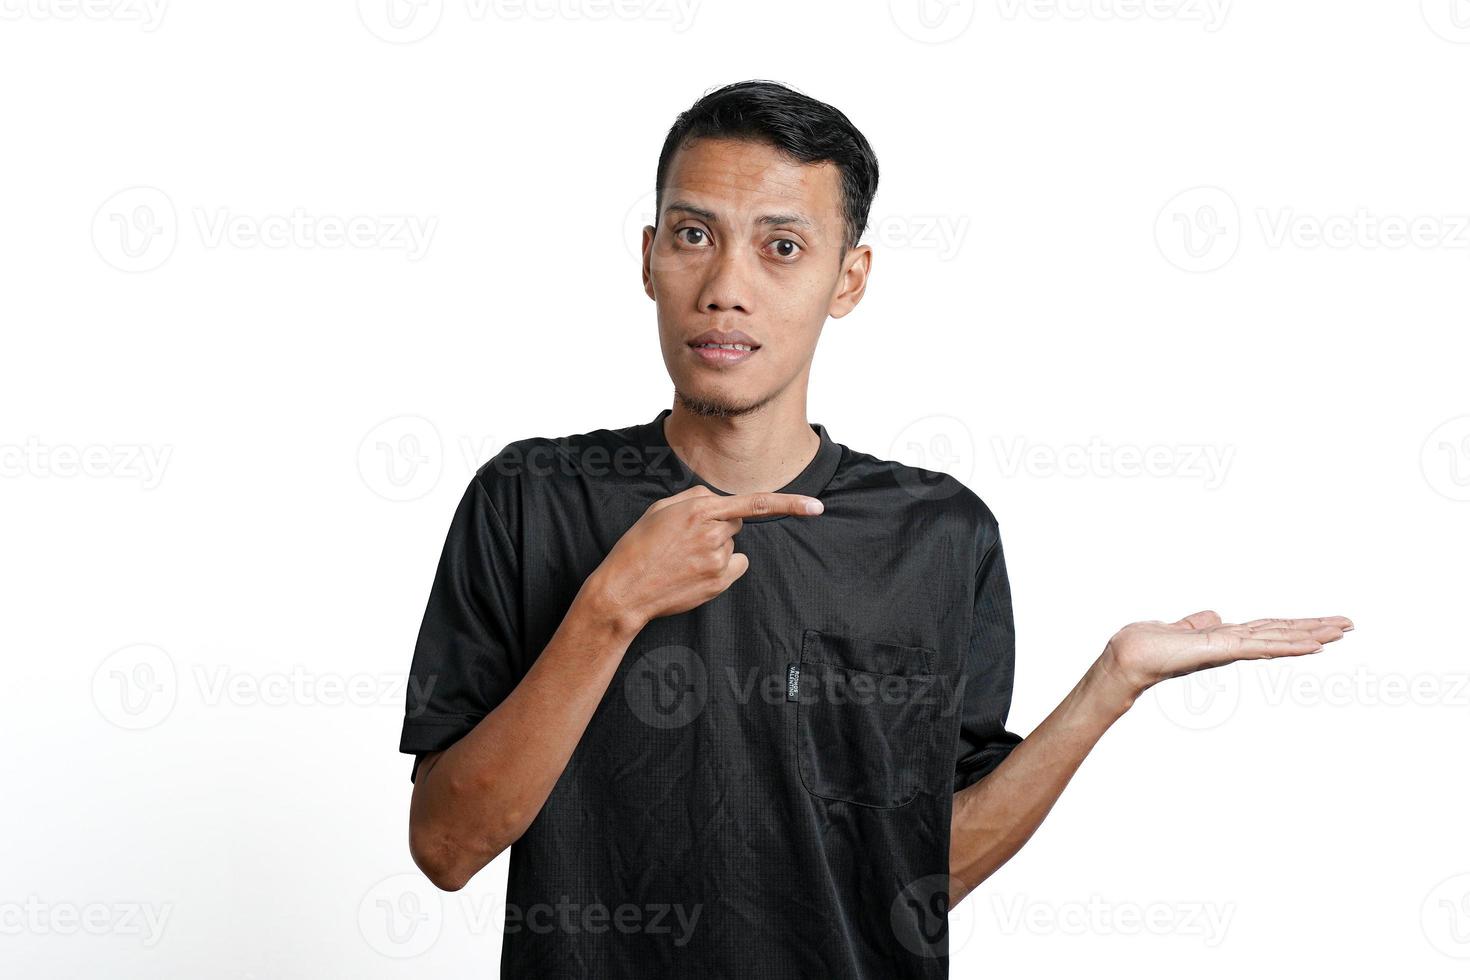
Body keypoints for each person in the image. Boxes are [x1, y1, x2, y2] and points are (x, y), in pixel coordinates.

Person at [397, 79, 1353, 978]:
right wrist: (610, 606)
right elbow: (445, 847)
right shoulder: (527, 498)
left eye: (781, 247)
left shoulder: (938, 535)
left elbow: (925, 875)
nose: (726, 286)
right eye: (695, 234)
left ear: (848, 279)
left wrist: (1111, 686)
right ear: (649, 255)